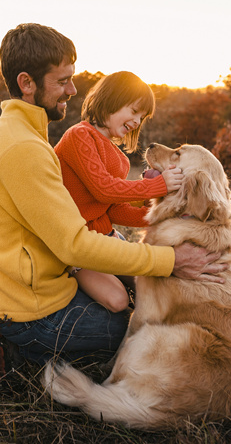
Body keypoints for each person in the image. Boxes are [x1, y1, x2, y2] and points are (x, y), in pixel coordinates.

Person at [0, 23, 226, 374]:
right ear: (27, 83)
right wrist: (170, 258)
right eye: (62, 81)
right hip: (28, 310)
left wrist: (167, 219)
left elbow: (105, 210)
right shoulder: (22, 148)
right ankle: (17, 354)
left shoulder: (24, 136)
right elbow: (76, 244)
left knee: (144, 307)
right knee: (141, 333)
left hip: (42, 281)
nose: (73, 89)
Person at [54, 71, 182, 313]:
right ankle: (69, 287)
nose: (136, 122)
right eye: (134, 111)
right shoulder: (79, 136)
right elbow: (104, 189)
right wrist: (157, 185)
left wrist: (155, 213)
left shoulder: (120, 158)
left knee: (154, 287)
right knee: (118, 300)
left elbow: (113, 210)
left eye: (141, 118)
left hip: (107, 239)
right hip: (78, 247)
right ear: (111, 100)